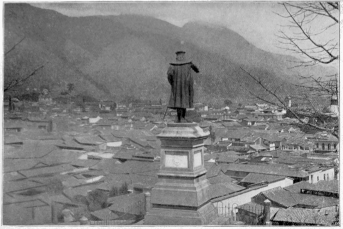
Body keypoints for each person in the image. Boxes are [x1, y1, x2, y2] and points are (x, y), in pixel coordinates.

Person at [167, 50, 199, 123]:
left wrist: (173, 83)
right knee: (184, 102)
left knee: (179, 102)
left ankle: (180, 118)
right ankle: (182, 118)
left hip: (177, 87)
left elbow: (169, 76)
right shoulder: (188, 64)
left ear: (177, 57)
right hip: (185, 87)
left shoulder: (172, 66)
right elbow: (197, 70)